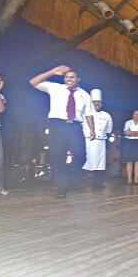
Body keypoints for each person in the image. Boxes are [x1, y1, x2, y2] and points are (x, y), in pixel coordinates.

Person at [30, 65, 95, 199]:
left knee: (80, 155)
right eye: (66, 77)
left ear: (78, 79)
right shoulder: (55, 88)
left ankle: (68, 177)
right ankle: (61, 187)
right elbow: (33, 82)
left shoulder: (85, 95)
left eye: (72, 77)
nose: (69, 79)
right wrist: (52, 71)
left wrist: (92, 130)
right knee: (57, 157)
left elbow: (88, 114)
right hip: (57, 125)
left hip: (75, 127)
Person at [82, 89, 113, 189]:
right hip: (88, 141)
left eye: (98, 102)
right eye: (94, 102)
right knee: (85, 162)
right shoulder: (86, 114)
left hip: (101, 142)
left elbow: (109, 129)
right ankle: (78, 182)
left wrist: (106, 138)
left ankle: (97, 183)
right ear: (91, 103)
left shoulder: (107, 115)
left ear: (101, 104)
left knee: (100, 164)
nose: (96, 104)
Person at [122, 109, 138, 185]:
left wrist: (132, 133)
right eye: (135, 114)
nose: (137, 115)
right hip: (129, 142)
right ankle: (129, 179)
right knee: (129, 161)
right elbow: (126, 132)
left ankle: (136, 179)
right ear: (132, 115)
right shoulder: (128, 122)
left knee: (137, 161)